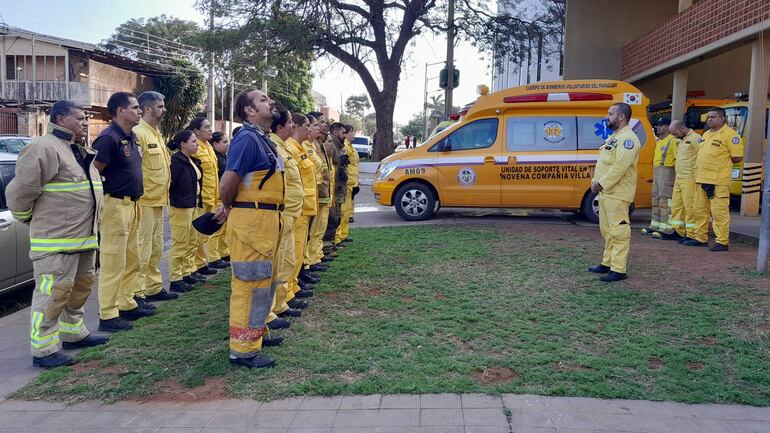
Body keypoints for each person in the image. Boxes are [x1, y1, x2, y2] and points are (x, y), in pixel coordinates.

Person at [7, 100, 108, 368]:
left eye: (86, 118)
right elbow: (19, 194)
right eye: (79, 118)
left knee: (81, 287)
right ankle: (44, 349)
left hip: (84, 239)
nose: (85, 122)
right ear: (60, 120)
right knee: (53, 294)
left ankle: (74, 332)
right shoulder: (43, 148)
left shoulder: (78, 149)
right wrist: (29, 219)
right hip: (56, 242)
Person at [215, 88, 285, 368]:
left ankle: (256, 334)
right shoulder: (246, 139)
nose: (271, 101)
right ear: (250, 111)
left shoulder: (261, 139)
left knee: (263, 285)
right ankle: (243, 350)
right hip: (252, 224)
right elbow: (227, 183)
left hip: (265, 221)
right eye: (264, 100)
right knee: (249, 286)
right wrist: (230, 207)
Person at [93, 92, 154, 332]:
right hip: (115, 205)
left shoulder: (131, 136)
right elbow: (94, 172)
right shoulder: (108, 138)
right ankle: (107, 314)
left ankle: (126, 304)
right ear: (121, 110)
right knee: (113, 262)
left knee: (132, 259)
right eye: (135, 107)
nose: (140, 111)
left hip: (133, 204)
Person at [587, 102, 641, 282]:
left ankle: (618, 269)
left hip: (617, 193)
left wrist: (601, 184)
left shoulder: (628, 139)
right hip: (607, 193)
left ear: (621, 117)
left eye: (610, 114)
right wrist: (596, 182)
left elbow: (620, 167)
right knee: (608, 231)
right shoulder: (615, 137)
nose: (606, 117)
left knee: (618, 232)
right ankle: (607, 262)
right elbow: (606, 164)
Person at [133, 91, 178, 303]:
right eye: (160, 106)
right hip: (144, 202)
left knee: (156, 248)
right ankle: (137, 292)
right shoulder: (138, 133)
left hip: (159, 200)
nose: (164, 110)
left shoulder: (155, 133)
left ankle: (153, 287)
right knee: (142, 249)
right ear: (148, 109)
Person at [683, 107, 743, 251]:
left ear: (722, 118)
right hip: (701, 179)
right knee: (699, 211)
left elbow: (737, 157)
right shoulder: (707, 134)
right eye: (708, 117)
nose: (709, 119)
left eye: (713, 117)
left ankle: (722, 242)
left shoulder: (730, 135)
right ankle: (700, 238)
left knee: (719, 213)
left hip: (718, 182)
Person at [267, 104, 306, 323]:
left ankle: (281, 303)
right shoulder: (275, 147)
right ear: (280, 126)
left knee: (286, 262)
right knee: (278, 263)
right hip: (282, 214)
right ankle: (270, 311)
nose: (293, 126)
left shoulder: (283, 146)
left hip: (292, 213)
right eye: (290, 122)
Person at [286, 113, 318, 308]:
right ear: (296, 126)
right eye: (307, 125)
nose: (310, 129)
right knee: (292, 253)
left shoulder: (300, 148)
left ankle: (293, 287)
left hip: (304, 208)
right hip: (295, 209)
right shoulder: (290, 148)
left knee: (297, 251)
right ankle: (287, 292)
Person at [189, 117, 228, 275]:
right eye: (206, 127)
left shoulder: (209, 147)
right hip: (201, 197)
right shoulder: (195, 148)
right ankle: (199, 264)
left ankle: (203, 261)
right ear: (197, 131)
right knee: (198, 234)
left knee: (207, 233)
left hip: (213, 195)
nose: (210, 129)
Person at [167, 130, 203, 293]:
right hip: (180, 206)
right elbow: (171, 184)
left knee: (191, 240)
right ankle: (176, 278)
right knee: (180, 243)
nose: (197, 144)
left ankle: (187, 272)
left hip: (192, 204)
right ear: (183, 144)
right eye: (194, 141)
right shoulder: (176, 161)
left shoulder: (190, 160)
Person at [659, 120, 701, 242]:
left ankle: (691, 234)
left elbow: (701, 157)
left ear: (682, 128)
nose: (674, 136)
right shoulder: (681, 140)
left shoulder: (696, 138)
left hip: (690, 178)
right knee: (677, 206)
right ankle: (678, 231)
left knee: (689, 206)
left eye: (675, 133)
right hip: (679, 177)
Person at [304, 114, 333, 273]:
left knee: (319, 227)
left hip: (321, 189)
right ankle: (310, 261)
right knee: (313, 229)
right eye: (318, 124)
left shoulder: (316, 143)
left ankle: (315, 257)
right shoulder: (305, 145)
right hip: (313, 191)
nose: (321, 126)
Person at [642, 118, 678, 236]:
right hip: (658, 171)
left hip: (667, 171)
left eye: (661, 125)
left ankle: (666, 228)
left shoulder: (672, 140)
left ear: (668, 127)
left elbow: (677, 159)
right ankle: (655, 225)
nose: (658, 127)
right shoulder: (660, 141)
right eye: (657, 125)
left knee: (665, 200)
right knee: (655, 198)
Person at [322, 122, 349, 259]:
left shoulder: (340, 147)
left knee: (336, 217)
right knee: (332, 218)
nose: (345, 135)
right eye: (343, 132)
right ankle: (327, 248)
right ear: (335, 131)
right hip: (333, 188)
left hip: (338, 188)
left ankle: (331, 244)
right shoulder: (332, 145)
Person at [335, 124, 359, 245]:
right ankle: (338, 237)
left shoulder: (350, 147)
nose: (353, 134)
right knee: (343, 211)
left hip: (351, 183)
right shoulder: (345, 147)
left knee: (347, 211)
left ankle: (344, 235)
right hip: (347, 183)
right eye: (352, 132)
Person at [210, 131, 230, 262]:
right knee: (216, 229)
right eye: (224, 142)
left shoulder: (224, 156)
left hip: (224, 197)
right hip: (216, 196)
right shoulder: (215, 158)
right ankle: (213, 257)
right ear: (215, 144)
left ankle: (224, 252)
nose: (227, 144)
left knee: (224, 229)